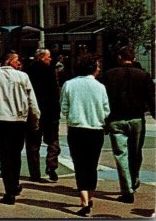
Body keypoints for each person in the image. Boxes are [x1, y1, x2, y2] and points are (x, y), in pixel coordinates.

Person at [0, 51, 39, 205]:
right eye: (17, 61)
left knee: (4, 156)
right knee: (15, 155)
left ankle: (9, 190)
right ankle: (14, 185)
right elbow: (32, 101)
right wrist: (34, 120)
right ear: (9, 61)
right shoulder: (23, 77)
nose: (20, 63)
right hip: (18, 121)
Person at [102, 46, 155, 204]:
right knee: (136, 153)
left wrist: (103, 120)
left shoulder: (109, 75)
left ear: (119, 57)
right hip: (137, 118)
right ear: (134, 58)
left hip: (115, 119)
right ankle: (134, 179)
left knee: (121, 155)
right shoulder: (144, 75)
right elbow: (151, 98)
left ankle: (127, 190)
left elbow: (103, 100)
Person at [61, 53, 109, 217]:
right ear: (93, 68)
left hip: (76, 129)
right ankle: (91, 195)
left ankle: (84, 201)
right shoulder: (100, 87)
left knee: (79, 165)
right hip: (95, 130)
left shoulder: (69, 84)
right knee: (92, 165)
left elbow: (64, 109)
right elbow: (106, 110)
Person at [24, 48, 62, 183]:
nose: (50, 59)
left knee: (33, 144)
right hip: (50, 112)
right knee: (53, 141)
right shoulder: (50, 71)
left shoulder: (27, 71)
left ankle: (35, 173)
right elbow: (55, 92)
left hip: (33, 112)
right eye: (48, 57)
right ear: (41, 57)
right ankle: (51, 165)